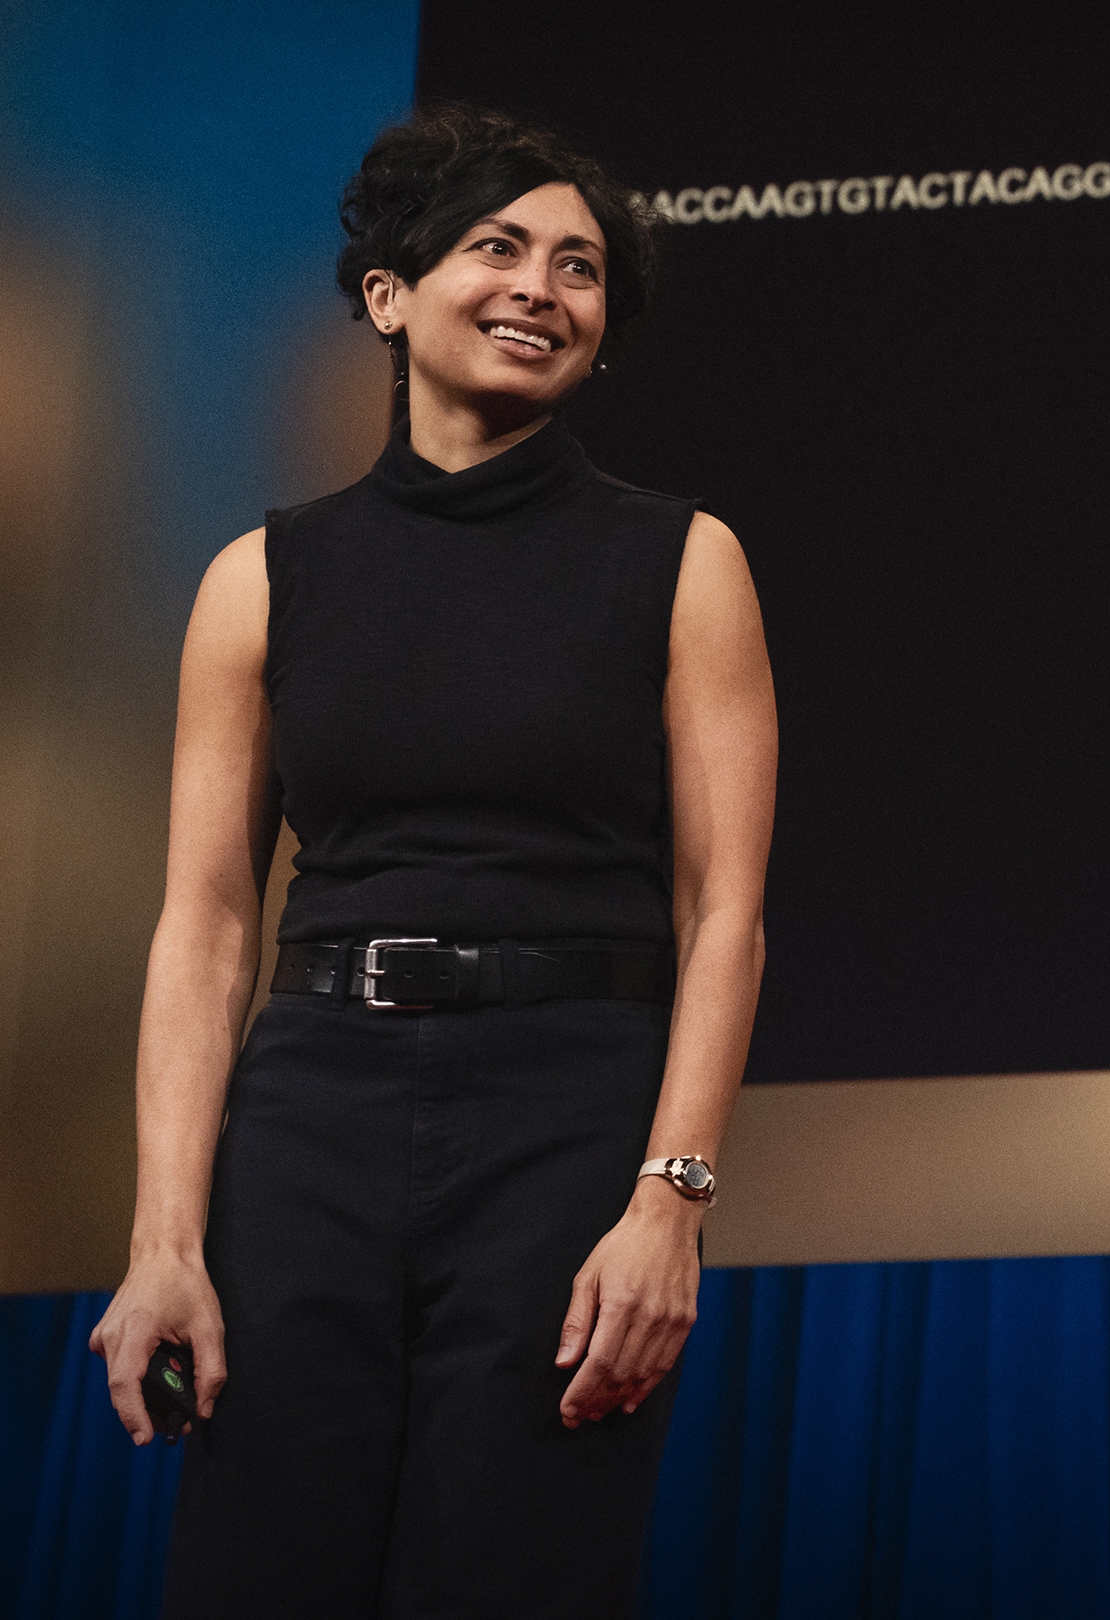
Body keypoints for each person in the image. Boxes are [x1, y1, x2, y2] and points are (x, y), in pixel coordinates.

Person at [86, 104, 777, 1615]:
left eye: (581, 267)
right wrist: (165, 1241)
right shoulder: (262, 576)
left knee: (516, 1570)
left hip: (566, 1120)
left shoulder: (681, 561)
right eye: (499, 246)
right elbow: (204, 928)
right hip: (312, 1115)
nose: (543, 286)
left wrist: (671, 1203)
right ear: (391, 297)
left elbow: (724, 913)